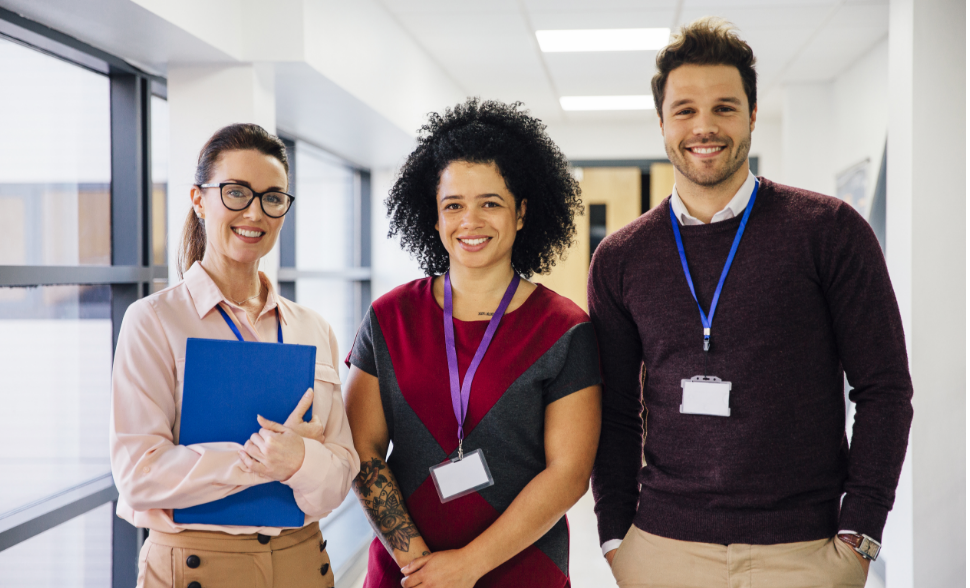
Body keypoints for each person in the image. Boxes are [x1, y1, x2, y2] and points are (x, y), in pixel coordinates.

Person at [588, 18, 914, 588]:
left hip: (804, 551)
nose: (704, 126)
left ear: (753, 115)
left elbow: (885, 390)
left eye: (725, 107)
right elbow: (613, 412)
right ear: (662, 122)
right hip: (662, 550)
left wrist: (860, 533)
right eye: (685, 109)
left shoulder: (830, 232)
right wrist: (616, 536)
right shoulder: (620, 257)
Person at [344, 99, 602, 588]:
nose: (471, 221)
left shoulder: (564, 329)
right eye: (453, 205)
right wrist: (418, 563)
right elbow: (362, 448)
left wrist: (467, 566)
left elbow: (568, 473)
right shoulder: (389, 317)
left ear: (522, 212)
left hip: (523, 571)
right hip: (407, 574)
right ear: (435, 217)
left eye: (490, 203)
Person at [110, 123, 359, 588]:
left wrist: (301, 461)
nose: (255, 212)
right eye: (236, 192)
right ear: (199, 199)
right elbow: (139, 474)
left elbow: (342, 473)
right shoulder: (154, 321)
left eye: (272, 197)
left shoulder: (312, 327)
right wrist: (265, 459)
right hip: (195, 567)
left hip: (303, 562)